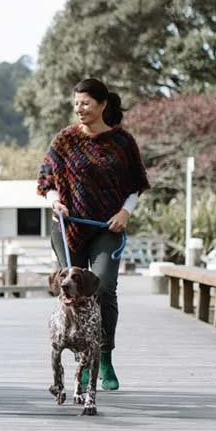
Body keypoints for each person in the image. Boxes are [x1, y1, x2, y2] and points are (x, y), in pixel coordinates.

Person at [37, 77, 149, 391]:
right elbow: (46, 180)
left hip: (108, 227)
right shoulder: (64, 139)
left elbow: (136, 184)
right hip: (68, 225)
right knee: (72, 290)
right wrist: (54, 201)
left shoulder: (122, 141)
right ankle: (81, 364)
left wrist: (125, 212)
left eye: (85, 103)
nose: (80, 109)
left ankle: (104, 356)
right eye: (76, 104)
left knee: (104, 287)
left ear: (102, 105)